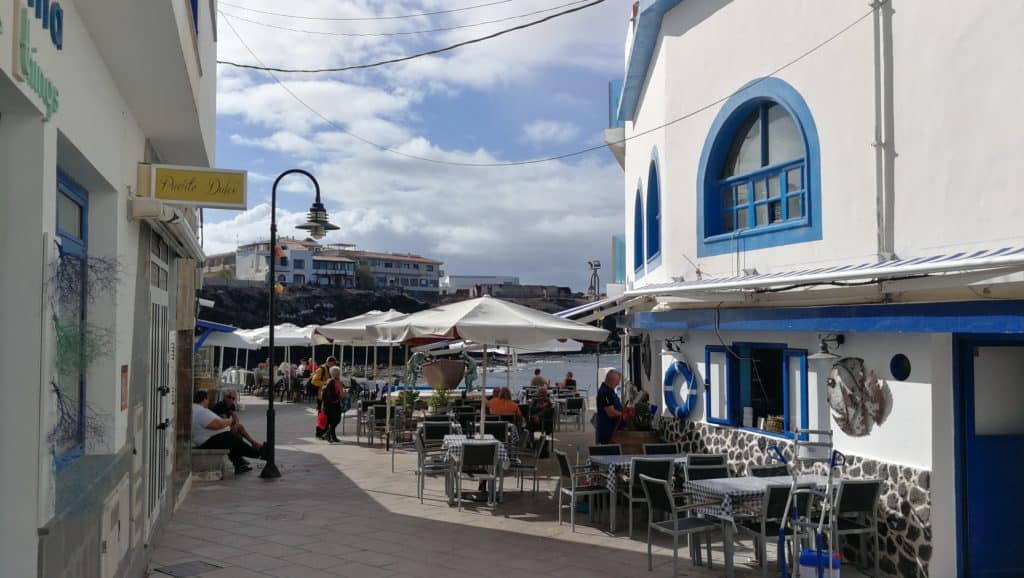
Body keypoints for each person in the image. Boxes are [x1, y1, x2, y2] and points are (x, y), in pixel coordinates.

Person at [192, 389, 264, 474]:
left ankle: (240, 463)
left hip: (211, 438)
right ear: (204, 399)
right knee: (232, 440)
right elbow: (217, 425)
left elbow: (232, 418)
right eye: (208, 399)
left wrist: (231, 422)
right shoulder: (201, 411)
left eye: (233, 398)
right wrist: (229, 421)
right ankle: (258, 454)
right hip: (208, 440)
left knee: (233, 438)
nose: (208, 401)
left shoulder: (197, 409)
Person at [595, 368, 624, 445]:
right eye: (617, 382)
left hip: (613, 430)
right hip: (608, 431)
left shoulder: (610, 391)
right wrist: (623, 414)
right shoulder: (605, 392)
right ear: (611, 380)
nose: (618, 384)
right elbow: (610, 413)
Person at [321, 366, 348, 443]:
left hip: (328, 404)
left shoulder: (329, 381)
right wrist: (345, 394)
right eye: (337, 372)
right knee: (337, 419)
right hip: (334, 403)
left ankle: (333, 437)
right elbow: (341, 394)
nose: (338, 373)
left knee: (331, 421)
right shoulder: (336, 382)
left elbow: (324, 394)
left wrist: (323, 404)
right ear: (334, 373)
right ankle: (327, 434)